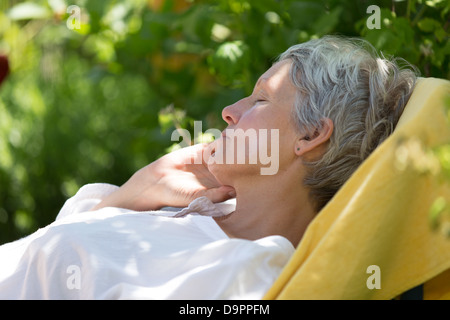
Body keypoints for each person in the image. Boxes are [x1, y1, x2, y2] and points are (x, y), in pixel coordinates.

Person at [0, 36, 417, 299]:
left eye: (259, 100)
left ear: (309, 137)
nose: (229, 112)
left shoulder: (249, 271)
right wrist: (132, 192)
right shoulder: (187, 211)